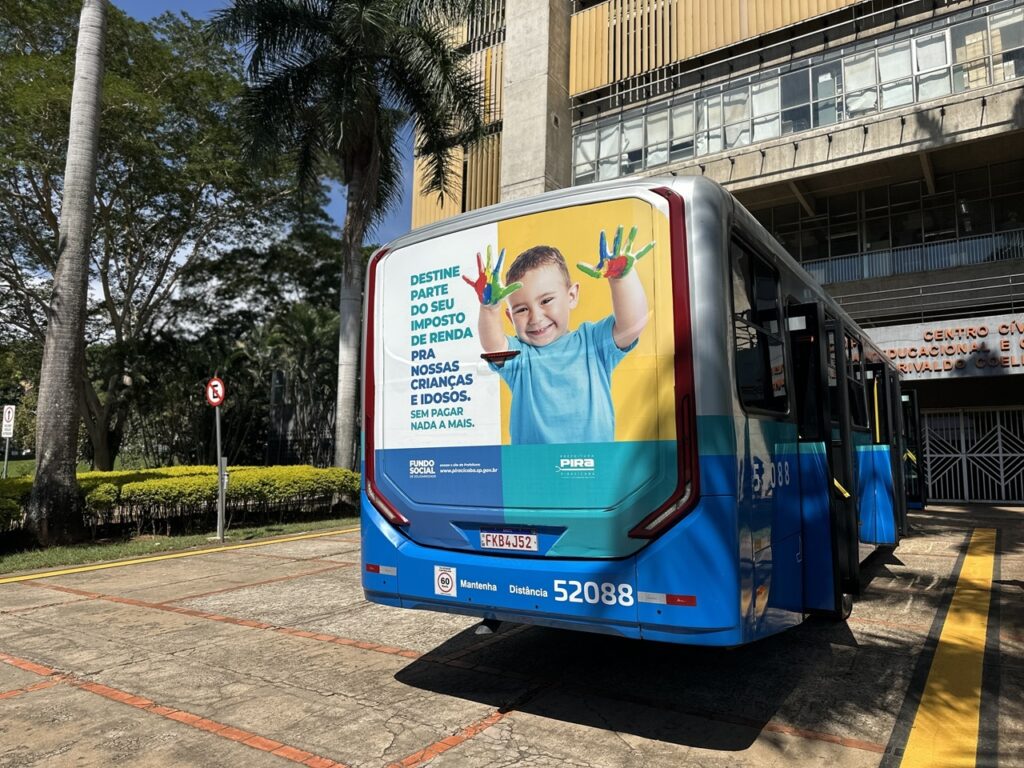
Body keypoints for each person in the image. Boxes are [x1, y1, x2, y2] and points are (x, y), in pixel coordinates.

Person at [463, 227, 652, 444]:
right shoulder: (521, 356)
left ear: (571, 296)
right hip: (534, 470)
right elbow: (493, 347)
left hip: (592, 467)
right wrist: (489, 308)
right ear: (509, 316)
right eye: (522, 310)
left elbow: (633, 324)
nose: (535, 317)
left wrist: (621, 278)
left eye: (546, 301)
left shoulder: (592, 342)